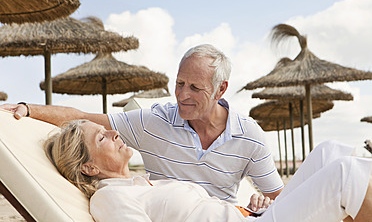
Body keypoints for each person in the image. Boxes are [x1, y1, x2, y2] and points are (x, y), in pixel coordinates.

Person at [0, 44, 283, 207]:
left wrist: (262, 205)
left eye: (195, 87)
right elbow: (82, 117)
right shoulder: (153, 122)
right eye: (180, 83)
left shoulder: (249, 136)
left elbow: (279, 198)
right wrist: (28, 108)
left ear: (221, 89)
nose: (183, 95)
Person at [44, 119, 372, 222]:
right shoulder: (109, 199)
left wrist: (246, 207)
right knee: (344, 176)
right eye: (102, 136)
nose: (114, 133)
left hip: (253, 218)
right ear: (88, 166)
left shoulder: (142, 184)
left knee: (330, 151)